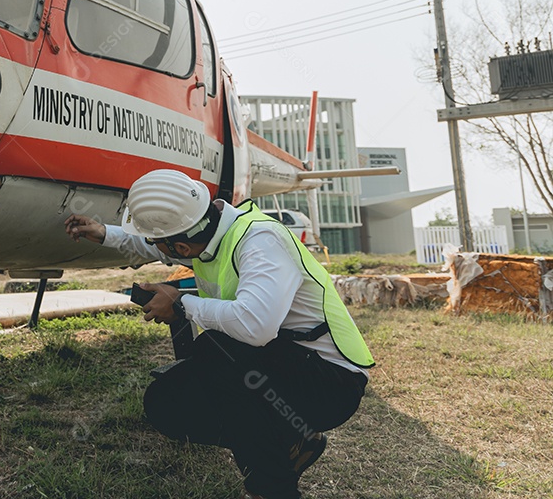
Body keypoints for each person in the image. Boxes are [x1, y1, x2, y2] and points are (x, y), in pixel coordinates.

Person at [64, 169, 372, 499]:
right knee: (167, 403)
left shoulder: (260, 241)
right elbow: (153, 245)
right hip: (282, 367)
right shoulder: (206, 231)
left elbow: (256, 327)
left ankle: (273, 487)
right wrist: (104, 233)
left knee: (217, 348)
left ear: (180, 245)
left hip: (331, 384)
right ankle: (292, 440)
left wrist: (182, 303)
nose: (161, 251)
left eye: (165, 246)